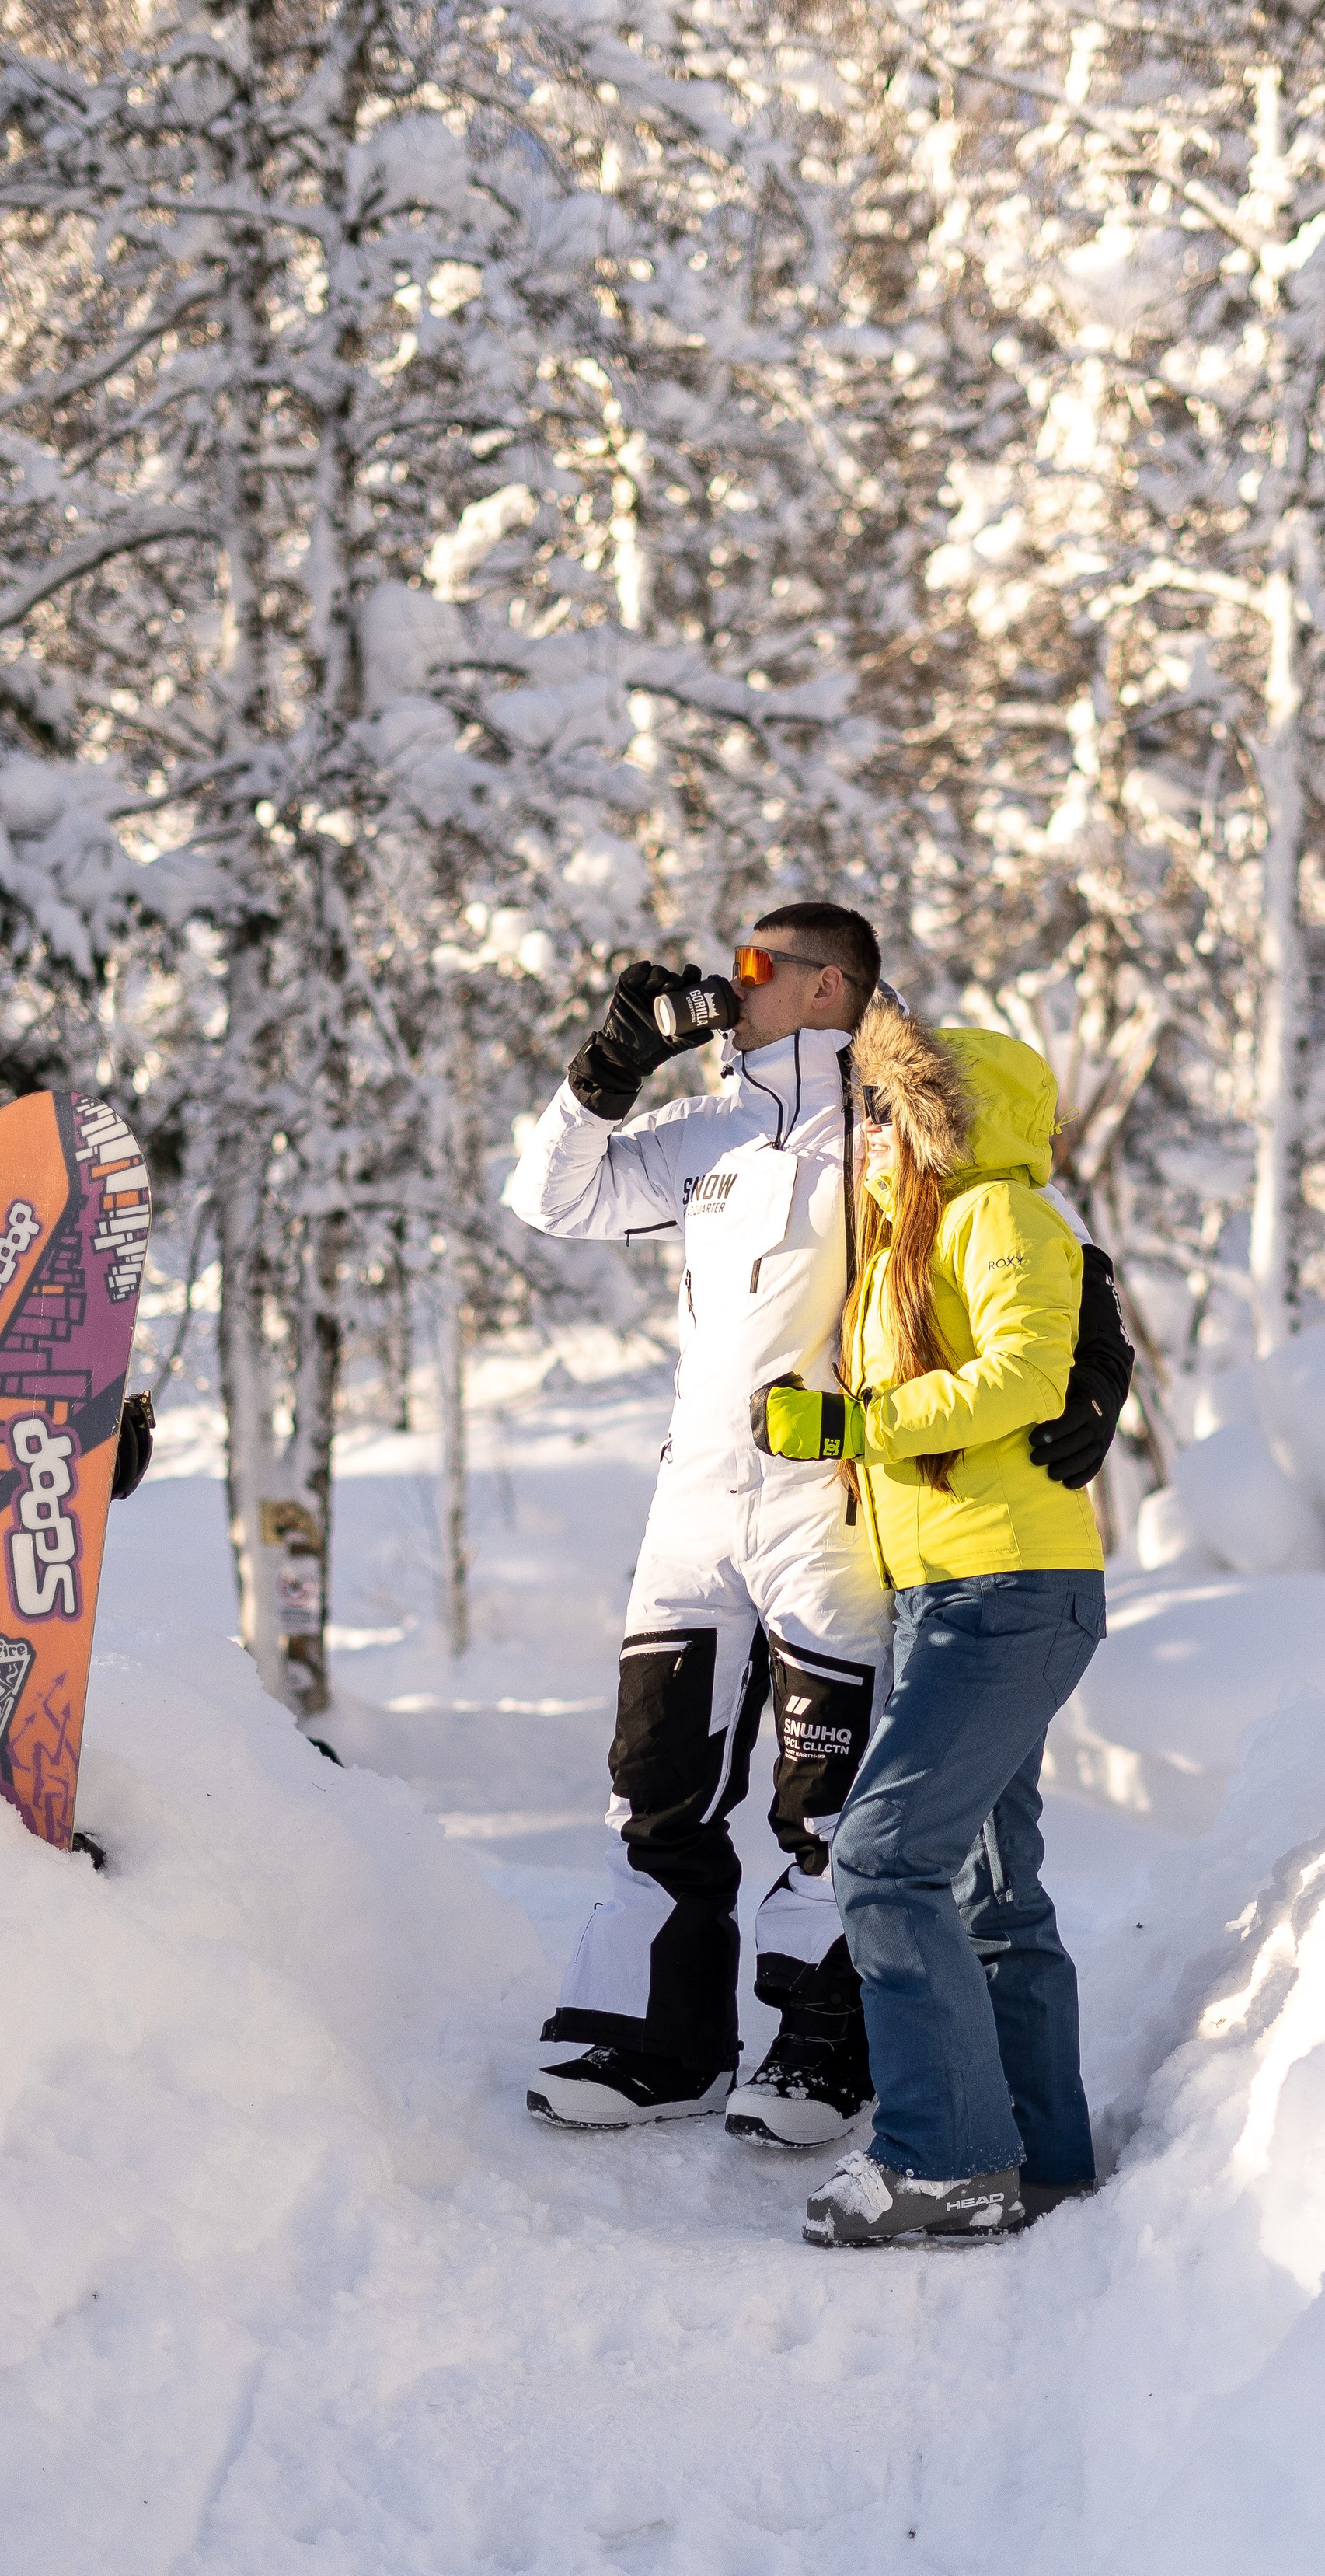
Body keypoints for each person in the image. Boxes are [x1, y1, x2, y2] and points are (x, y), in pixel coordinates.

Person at [507, 906, 893, 2144]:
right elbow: (550, 1202)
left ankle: (822, 2053)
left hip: (822, 1491)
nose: (731, 987)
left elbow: (1025, 1243)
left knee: (823, 1796)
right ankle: (660, 2046)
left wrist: (1089, 1349)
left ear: (831, 986)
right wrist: (606, 1071)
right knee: (656, 1783)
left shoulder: (893, 1126)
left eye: (758, 967)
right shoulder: (710, 1129)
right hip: (694, 1497)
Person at [751, 1008, 1108, 2246]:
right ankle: (1039, 2152)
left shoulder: (994, 1215)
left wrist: (855, 1425)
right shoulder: (913, 1238)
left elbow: (1028, 1373)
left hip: (1006, 1589)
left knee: (882, 1856)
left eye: (882, 1114)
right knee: (992, 1887)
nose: (865, 1138)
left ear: (937, 1120)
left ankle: (944, 2160)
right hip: (948, 1588)